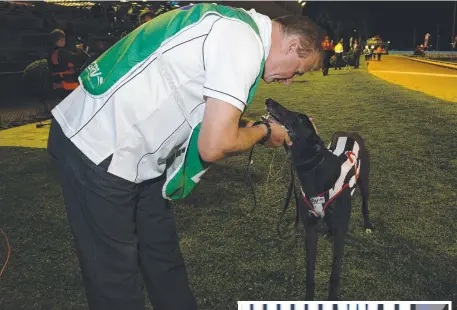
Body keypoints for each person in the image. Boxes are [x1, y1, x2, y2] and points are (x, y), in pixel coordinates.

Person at [47, 4, 324, 310]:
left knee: (162, 256)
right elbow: (214, 144)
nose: (289, 81)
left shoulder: (236, 29)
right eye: (297, 70)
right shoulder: (242, 40)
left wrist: (263, 128)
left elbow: (212, 119)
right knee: (115, 278)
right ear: (292, 45)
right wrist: (262, 131)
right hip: (97, 147)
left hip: (137, 156)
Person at [47, 29, 90, 100]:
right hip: (68, 85)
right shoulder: (63, 53)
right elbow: (78, 59)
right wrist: (81, 50)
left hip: (56, 85)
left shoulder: (50, 53)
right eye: (63, 40)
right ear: (61, 40)